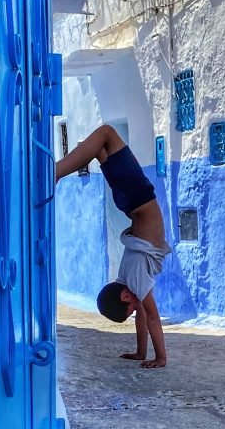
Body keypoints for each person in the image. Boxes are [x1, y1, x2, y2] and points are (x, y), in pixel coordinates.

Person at [56, 125, 172, 368]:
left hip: (139, 198)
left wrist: (160, 357)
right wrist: (141, 353)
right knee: (101, 149)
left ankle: (56, 172)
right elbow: (142, 313)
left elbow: (150, 315)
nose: (135, 310)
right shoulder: (127, 277)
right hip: (130, 203)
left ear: (125, 295)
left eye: (129, 308)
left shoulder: (135, 279)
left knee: (107, 133)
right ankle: (61, 169)